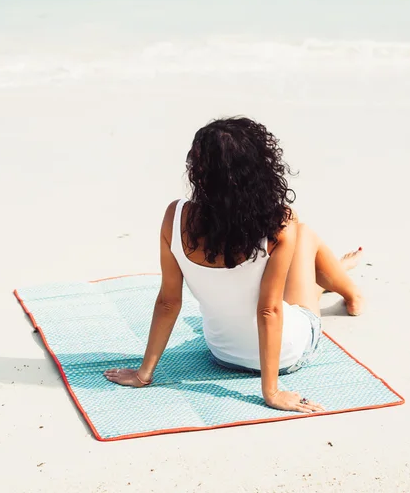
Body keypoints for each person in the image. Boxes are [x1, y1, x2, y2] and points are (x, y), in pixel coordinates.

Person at [104, 117, 364, 413]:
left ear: (199, 172)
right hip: (288, 354)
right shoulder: (281, 222)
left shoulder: (175, 218)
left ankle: (326, 281)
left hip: (222, 354)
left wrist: (143, 374)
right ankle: (349, 290)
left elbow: (168, 302)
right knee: (303, 235)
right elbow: (269, 310)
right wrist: (271, 392)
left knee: (285, 283)